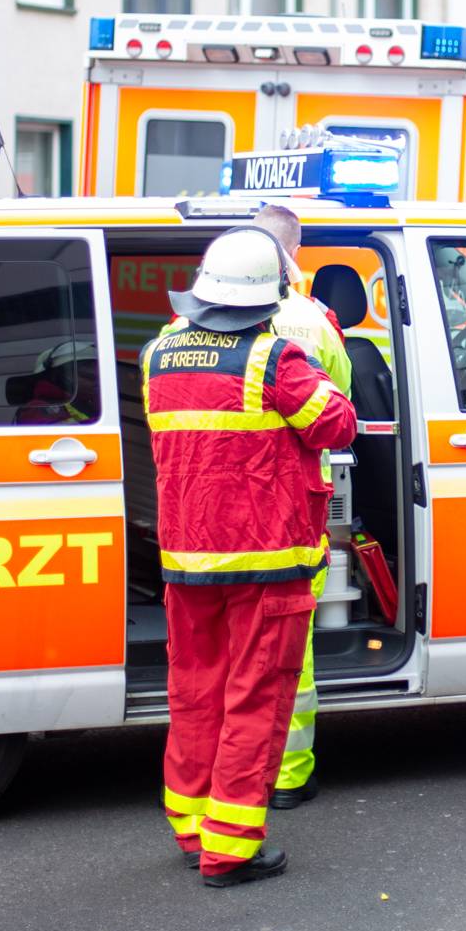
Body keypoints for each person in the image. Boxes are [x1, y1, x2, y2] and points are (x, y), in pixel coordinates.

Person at [143, 227, 356, 886]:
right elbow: (338, 424)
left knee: (194, 692)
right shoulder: (275, 360)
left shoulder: (157, 354)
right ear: (270, 298)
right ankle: (231, 848)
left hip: (187, 560)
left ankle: (192, 828)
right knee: (255, 700)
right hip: (267, 559)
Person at [250, 203, 350, 811]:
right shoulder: (312, 322)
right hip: (292, 514)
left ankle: (225, 774)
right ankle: (287, 774)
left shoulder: (185, 332)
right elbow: (340, 411)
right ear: (294, 253)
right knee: (291, 649)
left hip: (210, 525)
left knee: (223, 648)